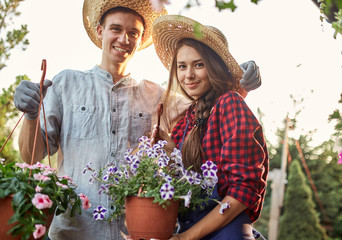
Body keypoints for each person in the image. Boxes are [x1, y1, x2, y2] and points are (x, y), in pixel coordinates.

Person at [13, 1, 262, 239]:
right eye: (116, 29)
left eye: (133, 32)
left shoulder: (157, 96)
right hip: (75, 232)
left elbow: (210, 106)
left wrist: (238, 84)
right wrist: (32, 115)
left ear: (141, 39)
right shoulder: (66, 84)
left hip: (135, 234)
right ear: (100, 31)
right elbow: (30, 155)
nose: (124, 39)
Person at [151, 15, 269, 240]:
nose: (189, 75)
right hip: (190, 230)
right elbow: (179, 187)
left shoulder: (229, 103)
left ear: (214, 67)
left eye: (199, 65)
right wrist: (166, 154)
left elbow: (242, 193)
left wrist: (186, 237)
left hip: (226, 232)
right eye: (182, 66)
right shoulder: (185, 122)